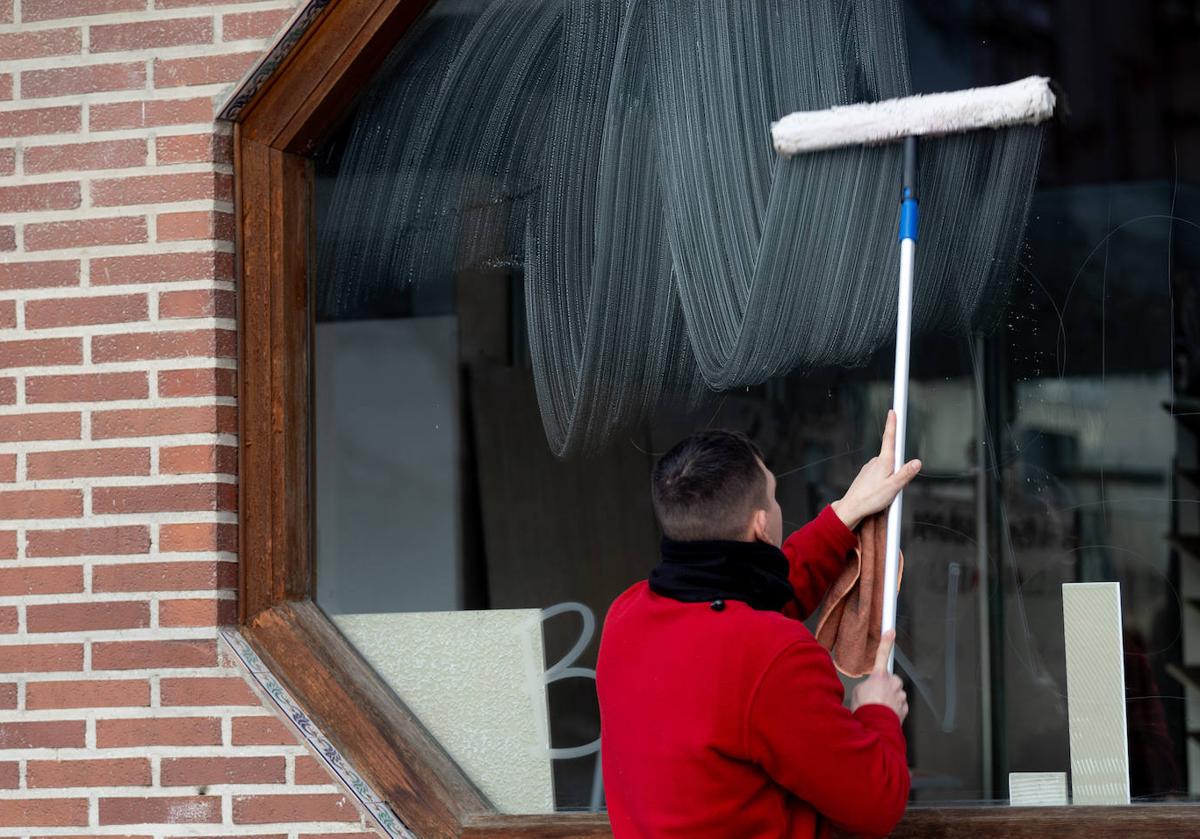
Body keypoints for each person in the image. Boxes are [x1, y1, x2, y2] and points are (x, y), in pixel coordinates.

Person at [596, 411, 920, 838]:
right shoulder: (772, 656)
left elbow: (748, 608)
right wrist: (878, 712)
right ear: (762, 525)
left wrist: (846, 513)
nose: (778, 504)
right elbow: (876, 803)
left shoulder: (626, 616)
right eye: (774, 495)